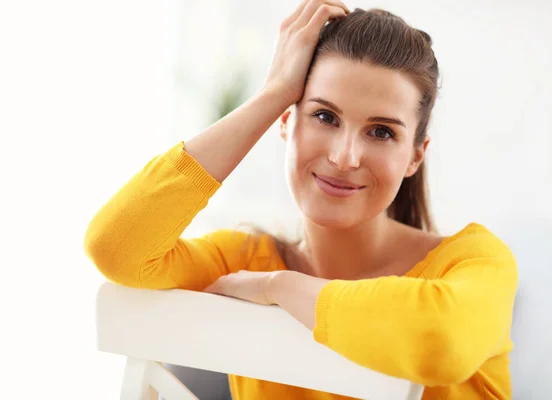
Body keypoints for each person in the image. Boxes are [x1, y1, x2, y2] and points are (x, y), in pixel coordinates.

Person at [83, 1, 518, 399]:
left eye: (382, 131)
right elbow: (117, 249)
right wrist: (272, 93)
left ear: (414, 157)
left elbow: (439, 341)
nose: (344, 157)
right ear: (286, 123)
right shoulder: (242, 261)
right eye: (324, 116)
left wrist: (277, 287)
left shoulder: (475, 264)